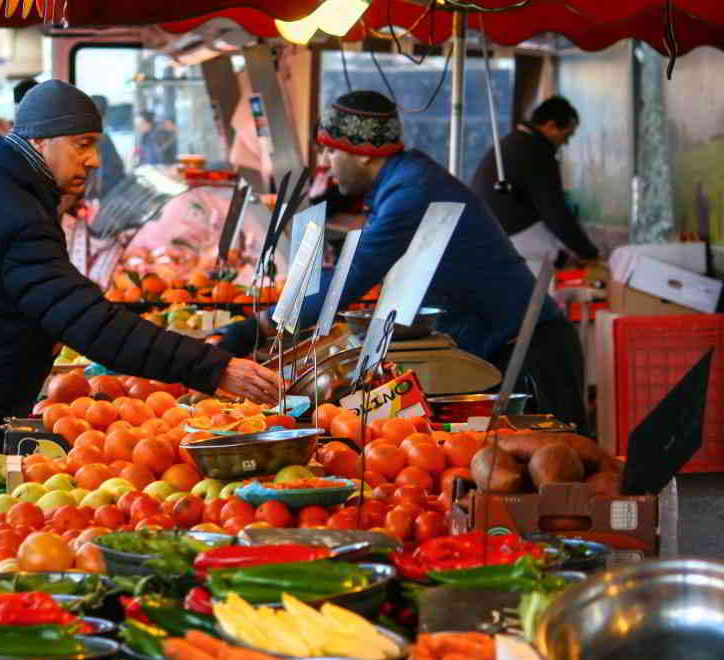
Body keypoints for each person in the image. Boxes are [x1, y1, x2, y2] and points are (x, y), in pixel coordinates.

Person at [0, 80, 281, 660]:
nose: (94, 160)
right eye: (83, 145)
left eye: (96, 145)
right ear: (43, 142)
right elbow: (90, 323)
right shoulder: (15, 216)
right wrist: (214, 366)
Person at [221, 90, 589, 434]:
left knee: (560, 475)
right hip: (499, 344)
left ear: (363, 152)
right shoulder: (404, 181)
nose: (327, 165)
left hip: (532, 352)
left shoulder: (410, 191)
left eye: (330, 152)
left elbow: (354, 273)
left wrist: (261, 326)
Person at [470, 96, 599, 273]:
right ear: (551, 126)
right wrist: (588, 253)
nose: (566, 143)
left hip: (487, 235)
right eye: (566, 135)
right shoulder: (536, 151)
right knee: (549, 274)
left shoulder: (513, 142)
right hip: (513, 238)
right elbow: (555, 212)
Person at [89, 95, 125, 197]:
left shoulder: (79, 137)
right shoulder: (102, 139)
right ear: (105, 114)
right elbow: (117, 172)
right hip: (100, 198)